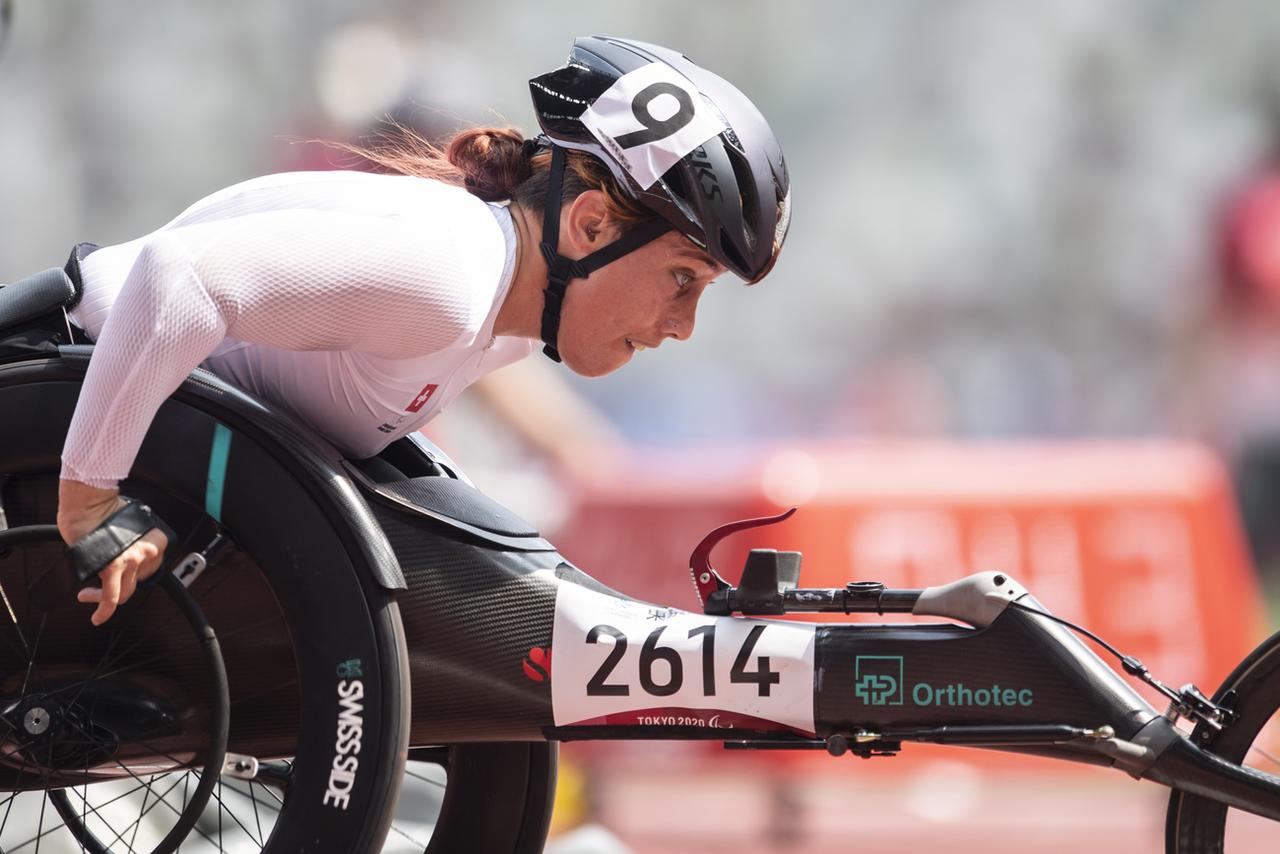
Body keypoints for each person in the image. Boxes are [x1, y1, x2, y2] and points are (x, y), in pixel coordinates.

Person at [55, 35, 792, 625]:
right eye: (683, 279)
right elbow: (176, 274)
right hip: (59, 388)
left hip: (177, 451)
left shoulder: (513, 313)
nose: (685, 326)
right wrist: (90, 500)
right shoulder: (451, 275)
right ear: (590, 224)